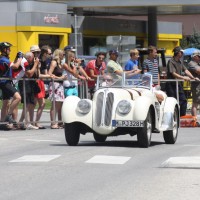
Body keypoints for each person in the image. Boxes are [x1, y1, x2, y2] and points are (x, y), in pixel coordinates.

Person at [166, 46, 199, 116]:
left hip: (178, 84)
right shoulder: (171, 61)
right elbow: (173, 73)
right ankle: (172, 117)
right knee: (172, 102)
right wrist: (183, 77)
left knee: (183, 101)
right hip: (171, 85)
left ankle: (181, 117)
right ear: (178, 53)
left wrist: (193, 77)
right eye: (181, 52)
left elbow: (186, 70)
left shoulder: (180, 62)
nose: (182, 54)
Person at [30, 45, 52, 129]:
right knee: (35, 103)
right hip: (36, 82)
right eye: (49, 53)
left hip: (41, 82)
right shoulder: (38, 60)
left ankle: (36, 122)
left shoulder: (44, 61)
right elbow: (38, 75)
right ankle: (32, 122)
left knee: (41, 103)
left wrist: (50, 75)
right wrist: (48, 76)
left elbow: (45, 74)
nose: (51, 55)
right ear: (45, 53)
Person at [0, 42, 21, 128]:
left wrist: (16, 57)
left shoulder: (5, 58)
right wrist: (20, 58)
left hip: (5, 82)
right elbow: (15, 66)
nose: (10, 50)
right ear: (4, 50)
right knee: (18, 97)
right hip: (5, 83)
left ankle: (1, 122)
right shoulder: (3, 59)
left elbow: (11, 65)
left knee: (5, 102)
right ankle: (8, 116)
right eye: (8, 49)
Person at [18, 52, 41, 130]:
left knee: (29, 104)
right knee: (27, 104)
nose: (34, 58)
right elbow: (29, 74)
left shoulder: (32, 64)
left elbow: (37, 75)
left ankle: (21, 122)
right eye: (32, 57)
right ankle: (26, 123)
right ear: (28, 58)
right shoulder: (24, 62)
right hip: (25, 83)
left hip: (30, 84)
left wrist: (37, 66)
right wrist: (35, 64)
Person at [48, 49, 66, 129]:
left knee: (60, 104)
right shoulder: (54, 62)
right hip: (55, 84)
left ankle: (59, 122)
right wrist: (60, 77)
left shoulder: (60, 64)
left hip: (60, 84)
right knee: (54, 105)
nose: (64, 56)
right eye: (63, 54)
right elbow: (49, 74)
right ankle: (53, 123)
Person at [188, 50, 200, 118]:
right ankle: (194, 120)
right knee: (195, 102)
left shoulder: (198, 63)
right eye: (198, 56)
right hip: (196, 85)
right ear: (195, 57)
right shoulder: (191, 63)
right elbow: (198, 71)